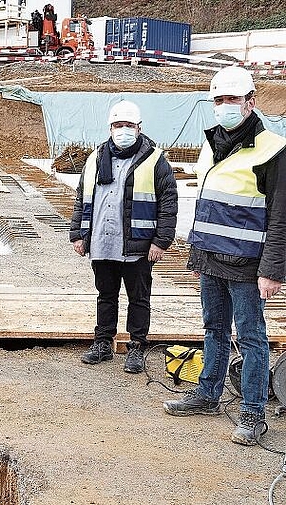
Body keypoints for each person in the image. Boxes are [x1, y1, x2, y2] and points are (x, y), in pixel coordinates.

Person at [163, 66, 286, 445]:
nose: (224, 106)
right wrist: (196, 257)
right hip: (212, 258)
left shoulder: (274, 149)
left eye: (232, 99)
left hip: (249, 265)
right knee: (213, 329)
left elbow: (281, 217)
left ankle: (252, 412)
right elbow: (206, 205)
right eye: (218, 100)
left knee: (251, 337)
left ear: (251, 102)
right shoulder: (210, 143)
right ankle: (208, 394)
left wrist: (273, 271)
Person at [69, 100, 178, 374]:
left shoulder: (154, 159)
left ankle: (137, 347)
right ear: (110, 127)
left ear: (139, 128)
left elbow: (168, 203)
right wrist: (78, 234)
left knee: (138, 298)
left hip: (138, 246)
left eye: (129, 125)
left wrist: (161, 241)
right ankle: (103, 343)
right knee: (106, 296)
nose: (123, 130)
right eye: (119, 125)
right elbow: (82, 198)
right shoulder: (95, 158)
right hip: (103, 243)